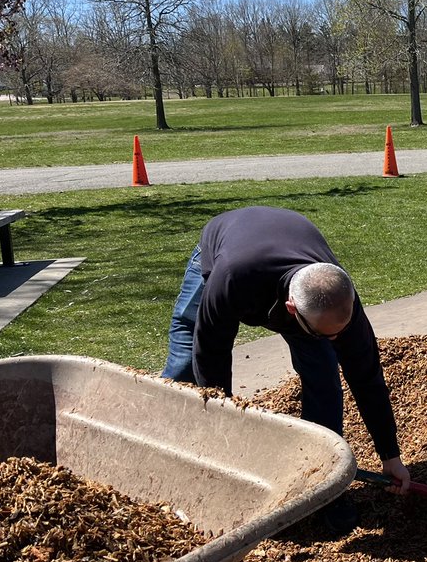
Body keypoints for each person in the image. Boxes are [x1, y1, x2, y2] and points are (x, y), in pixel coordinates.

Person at [161, 206, 410, 533]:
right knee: (185, 361)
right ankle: (165, 459)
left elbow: (366, 376)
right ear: (292, 309)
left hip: (292, 276)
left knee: (323, 376)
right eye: (326, 334)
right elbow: (212, 354)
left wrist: (390, 453)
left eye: (339, 332)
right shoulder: (231, 279)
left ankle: (324, 487)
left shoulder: (334, 297)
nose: (336, 339)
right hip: (226, 251)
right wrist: (225, 435)